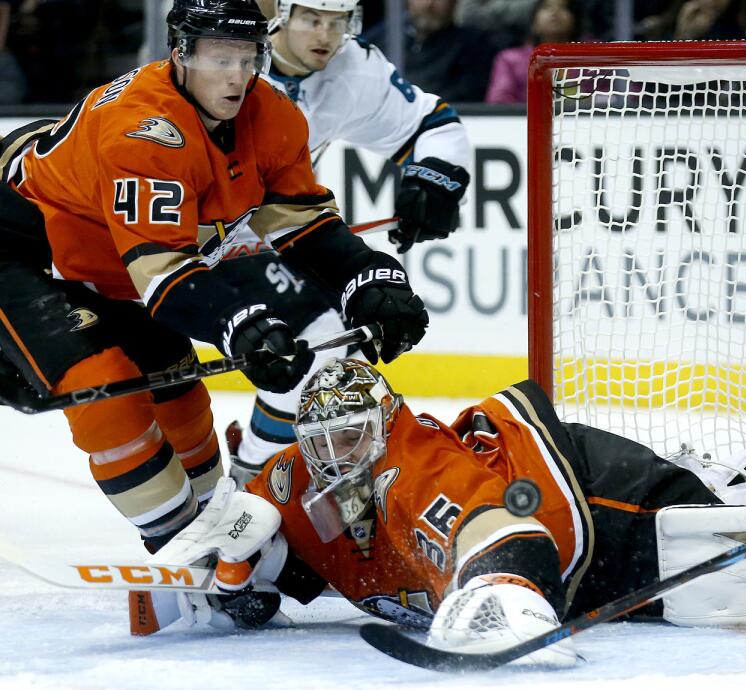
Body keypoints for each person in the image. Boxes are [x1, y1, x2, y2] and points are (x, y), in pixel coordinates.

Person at [0, 0, 428, 632]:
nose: (236, 76)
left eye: (247, 59)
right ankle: (185, 548)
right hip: (24, 251)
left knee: (178, 394)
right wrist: (245, 323)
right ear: (181, 56)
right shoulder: (142, 128)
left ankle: (224, 530)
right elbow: (164, 273)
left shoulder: (272, 115)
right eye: (219, 60)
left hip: (112, 263)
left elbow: (302, 224)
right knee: (105, 391)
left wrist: (370, 279)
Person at [144, 357, 746, 665]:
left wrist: (498, 589)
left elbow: (497, 526)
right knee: (658, 598)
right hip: (570, 565)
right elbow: (255, 521)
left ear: (384, 427)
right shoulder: (297, 478)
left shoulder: (412, 471)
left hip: (581, 500)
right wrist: (231, 575)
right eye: (322, 443)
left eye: (350, 437)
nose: (336, 458)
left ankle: (730, 486)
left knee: (703, 543)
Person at [224, 0, 471, 482]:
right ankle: (251, 483)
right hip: (196, 236)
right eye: (312, 19)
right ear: (281, 16)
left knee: (349, 349)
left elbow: (431, 124)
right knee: (314, 342)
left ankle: (308, 482)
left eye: (336, 22)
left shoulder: (352, 68)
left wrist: (433, 181)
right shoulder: (231, 65)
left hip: (276, 233)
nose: (326, 34)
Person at [485, 0, 582, 104]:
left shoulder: (594, 58)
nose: (555, 11)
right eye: (546, 7)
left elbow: (601, 95)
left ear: (574, 19)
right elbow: (498, 99)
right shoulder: (509, 59)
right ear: (533, 24)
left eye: (563, 7)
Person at [405, 0, 497, 102]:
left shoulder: (474, 45)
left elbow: (468, 94)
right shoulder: (388, 40)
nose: (429, 5)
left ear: (454, 3)